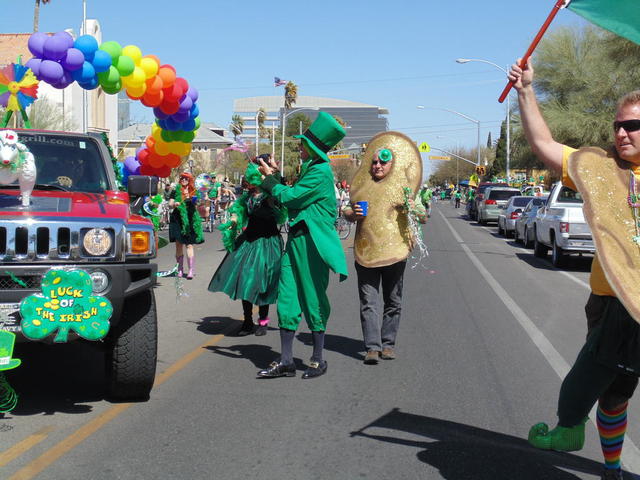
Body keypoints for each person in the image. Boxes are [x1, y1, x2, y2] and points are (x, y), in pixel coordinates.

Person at [510, 58, 640, 480]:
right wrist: (526, 92)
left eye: (633, 126)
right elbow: (545, 145)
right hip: (610, 304)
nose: (622, 133)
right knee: (612, 395)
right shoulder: (599, 166)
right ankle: (613, 469)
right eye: (619, 125)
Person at [256, 112, 348, 379]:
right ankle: (286, 360)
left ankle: (318, 359)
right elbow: (293, 197)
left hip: (312, 244)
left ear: (312, 148)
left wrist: (270, 180)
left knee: (312, 298)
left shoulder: (320, 172)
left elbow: (292, 197)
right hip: (296, 241)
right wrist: (274, 176)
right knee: (288, 297)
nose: (299, 147)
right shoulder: (310, 169)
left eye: (302, 144)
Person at [343, 132, 425, 364]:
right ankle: (372, 347)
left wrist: (410, 207)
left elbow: (423, 216)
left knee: (393, 300)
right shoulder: (361, 186)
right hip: (366, 252)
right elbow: (347, 212)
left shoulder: (406, 188)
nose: (377, 165)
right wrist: (352, 214)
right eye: (375, 162)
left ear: (393, 163)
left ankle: (388, 344)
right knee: (368, 301)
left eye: (383, 161)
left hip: (395, 253)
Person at [208, 164, 284, 336]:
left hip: (268, 242)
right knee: (245, 280)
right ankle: (248, 321)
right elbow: (238, 212)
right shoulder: (246, 197)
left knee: (264, 282)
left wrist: (272, 174)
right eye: (248, 179)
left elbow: (280, 195)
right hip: (249, 242)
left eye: (252, 178)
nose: (249, 182)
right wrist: (233, 222)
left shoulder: (269, 196)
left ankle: (263, 321)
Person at [168, 172, 204, 279]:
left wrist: (197, 201)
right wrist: (174, 204)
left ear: (190, 180)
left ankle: (191, 270)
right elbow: (170, 204)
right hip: (177, 219)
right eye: (182, 178)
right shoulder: (175, 190)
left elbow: (199, 203)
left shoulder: (194, 191)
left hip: (190, 220)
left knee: (189, 245)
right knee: (178, 244)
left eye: (186, 179)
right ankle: (180, 269)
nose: (184, 180)